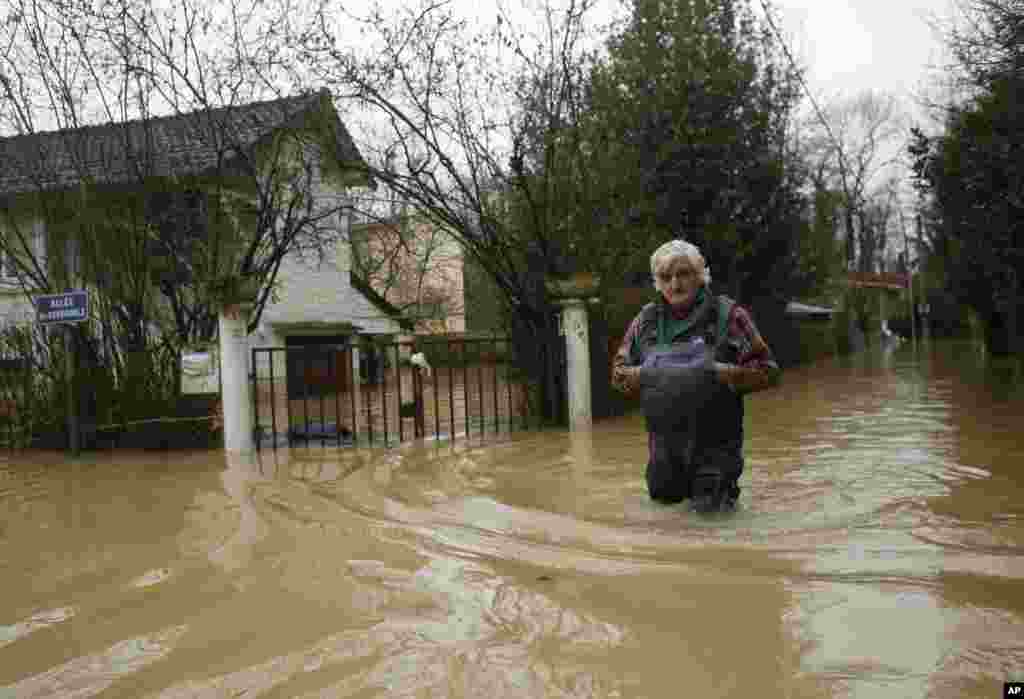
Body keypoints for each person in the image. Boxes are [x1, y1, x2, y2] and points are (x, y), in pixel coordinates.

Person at [612, 240, 780, 513]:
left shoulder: (729, 314)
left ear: (700, 276)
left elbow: (769, 371)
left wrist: (721, 373)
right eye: (666, 278)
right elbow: (618, 376)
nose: (675, 285)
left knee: (711, 533)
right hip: (664, 459)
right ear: (657, 282)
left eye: (683, 275)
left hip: (716, 458)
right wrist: (647, 374)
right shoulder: (644, 321)